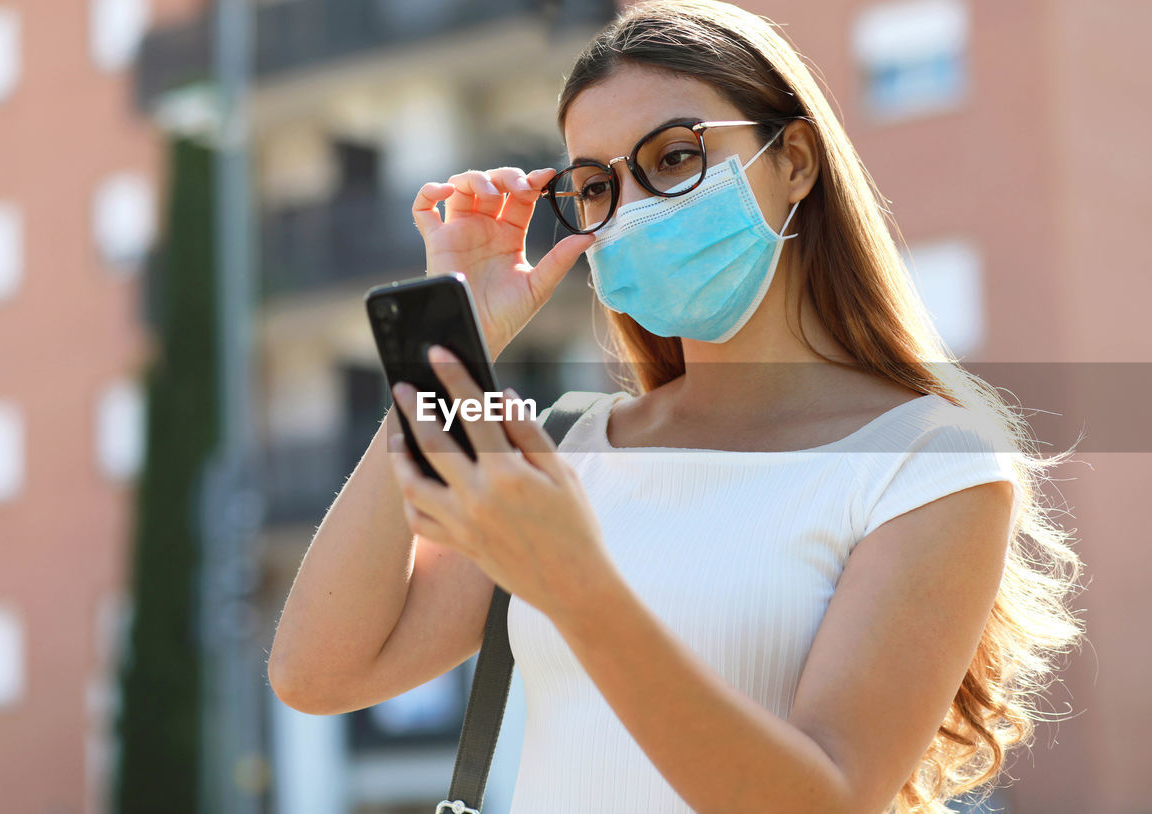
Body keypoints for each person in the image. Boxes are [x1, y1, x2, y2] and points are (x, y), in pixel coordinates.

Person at [267, 2, 1085, 812]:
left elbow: (826, 799)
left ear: (794, 159)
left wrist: (579, 586)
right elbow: (320, 672)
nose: (634, 207)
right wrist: (449, 342)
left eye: (672, 158)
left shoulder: (927, 459)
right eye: (594, 186)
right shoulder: (571, 447)